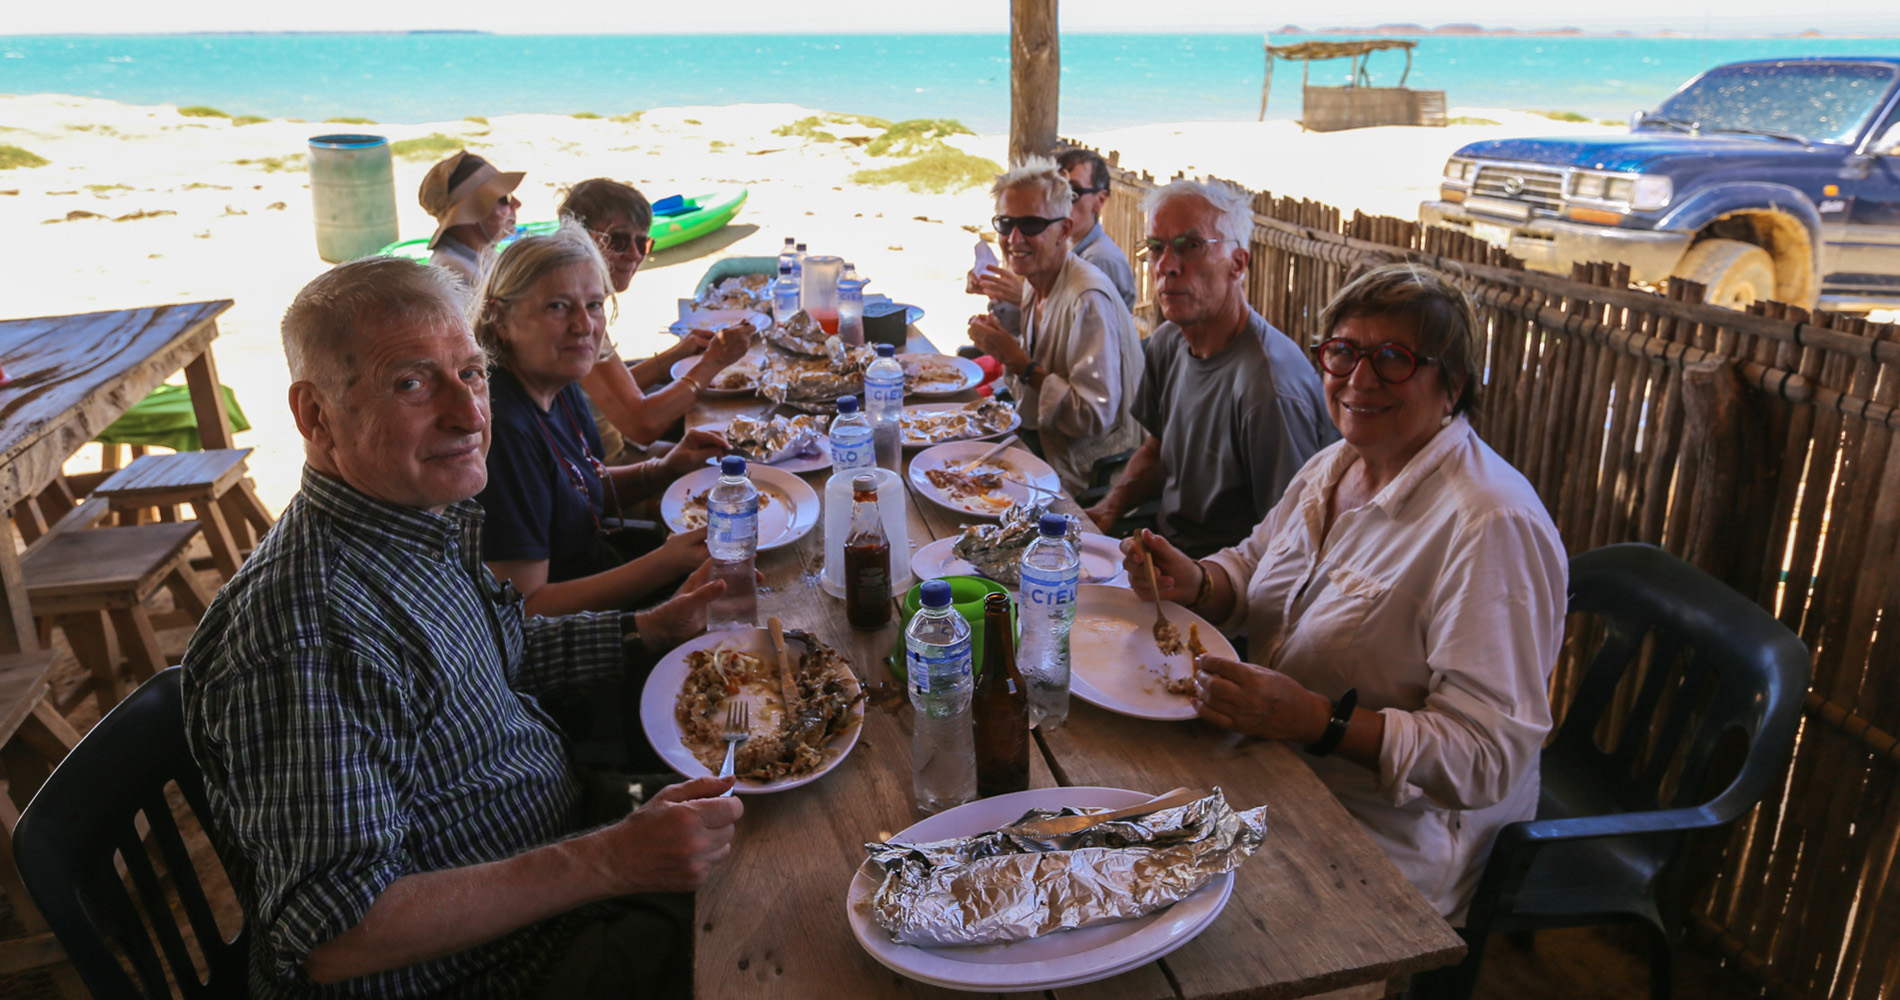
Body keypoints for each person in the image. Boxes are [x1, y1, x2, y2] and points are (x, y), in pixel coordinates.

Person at [183, 254, 742, 998]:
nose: (468, 414)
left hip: (560, 839)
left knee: (780, 817)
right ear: (315, 414)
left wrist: (652, 627)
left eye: (472, 375)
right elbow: (335, 932)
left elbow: (495, 651)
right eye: (411, 383)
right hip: (497, 967)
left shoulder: (410, 521)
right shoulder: (305, 633)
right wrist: (611, 862)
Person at [1124, 263, 1566, 922]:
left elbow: (1487, 758)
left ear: (1454, 387)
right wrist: (1201, 581)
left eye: (1395, 359)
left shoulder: (1489, 525)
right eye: (1344, 352)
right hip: (1274, 765)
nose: (1359, 379)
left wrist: (1318, 722)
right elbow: (1255, 563)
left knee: (1196, 940)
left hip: (1389, 835)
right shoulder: (1339, 463)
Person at [472, 223, 727, 616]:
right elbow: (528, 606)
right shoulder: (502, 434)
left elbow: (579, 487)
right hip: (574, 637)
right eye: (558, 306)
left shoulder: (558, 383)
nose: (585, 325)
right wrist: (665, 563)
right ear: (500, 320)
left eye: (593, 305)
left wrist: (664, 469)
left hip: (602, 563)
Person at [1086, 178, 1334, 557]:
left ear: (1237, 264)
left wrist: (1201, 586)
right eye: (1155, 248)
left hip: (1226, 589)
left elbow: (1290, 545)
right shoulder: (1170, 342)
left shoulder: (1269, 390)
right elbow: (1158, 449)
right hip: (1166, 551)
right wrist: (1109, 508)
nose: (1166, 266)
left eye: (1191, 246)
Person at [965, 156, 1145, 493]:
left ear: (1063, 229)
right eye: (1005, 224)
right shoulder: (1036, 280)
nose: (1014, 238)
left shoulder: (1087, 299)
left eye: (1031, 224)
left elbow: (1091, 417)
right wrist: (1003, 341)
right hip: (1040, 443)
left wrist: (1017, 361)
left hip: (1088, 473)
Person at [559, 178, 751, 464]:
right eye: (619, 241)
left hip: (617, 448)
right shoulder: (574, 314)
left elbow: (609, 393)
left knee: (737, 452)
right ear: (580, 237)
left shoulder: (581, 297)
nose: (635, 255)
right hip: (603, 470)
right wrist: (714, 362)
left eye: (643, 243)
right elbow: (642, 423)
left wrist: (681, 351)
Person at [971, 147, 1139, 324]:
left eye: (1072, 192)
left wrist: (1024, 297)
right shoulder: (1064, 250)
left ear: (1100, 201)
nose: (1060, 200)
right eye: (1056, 190)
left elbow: (1079, 335)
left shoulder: (1098, 262)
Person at [418, 151, 523, 286]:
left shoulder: (480, 254)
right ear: (472, 211)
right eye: (504, 199)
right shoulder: (457, 276)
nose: (516, 204)